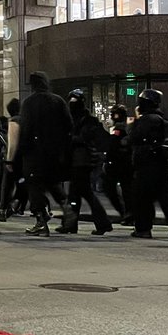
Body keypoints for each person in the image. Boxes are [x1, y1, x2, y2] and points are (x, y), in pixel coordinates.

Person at [127, 89, 168, 240]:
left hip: (146, 165)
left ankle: (143, 229)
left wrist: (134, 122)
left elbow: (132, 139)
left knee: (142, 198)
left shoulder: (145, 120)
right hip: (162, 164)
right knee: (165, 196)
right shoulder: (163, 120)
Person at [17, 71, 72, 236]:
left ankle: (41, 220)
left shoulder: (29, 103)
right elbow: (69, 126)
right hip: (55, 152)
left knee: (34, 186)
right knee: (53, 182)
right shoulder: (58, 100)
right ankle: (67, 207)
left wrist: (21, 153)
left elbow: (25, 129)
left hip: (35, 153)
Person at [62, 89, 114, 235]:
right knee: (76, 194)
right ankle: (71, 224)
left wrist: (70, 139)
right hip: (77, 160)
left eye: (75, 100)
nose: (72, 103)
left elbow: (86, 138)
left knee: (83, 193)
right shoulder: (72, 118)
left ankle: (101, 223)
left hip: (82, 161)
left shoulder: (87, 120)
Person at [104, 104, 134, 225]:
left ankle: (127, 214)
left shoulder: (119, 131)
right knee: (126, 191)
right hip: (124, 165)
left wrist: (108, 161)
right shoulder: (125, 129)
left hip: (119, 165)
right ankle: (128, 214)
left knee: (112, 189)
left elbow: (113, 147)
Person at [0, 97, 24, 220]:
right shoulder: (25, 120)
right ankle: (16, 203)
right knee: (22, 184)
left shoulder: (13, 121)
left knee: (6, 185)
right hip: (24, 158)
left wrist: (9, 160)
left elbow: (12, 142)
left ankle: (3, 211)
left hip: (14, 159)